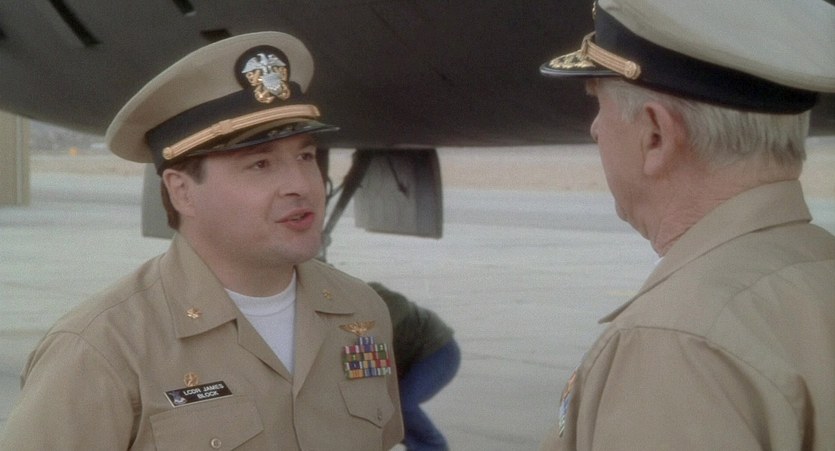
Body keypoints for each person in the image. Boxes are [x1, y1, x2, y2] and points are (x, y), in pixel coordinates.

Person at [1, 32, 403, 449]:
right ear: (183, 192)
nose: (301, 185)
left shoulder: (361, 311)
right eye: (260, 164)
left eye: (305, 156)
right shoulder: (103, 348)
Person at [537, 0, 835, 449]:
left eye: (599, 103)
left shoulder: (675, 341)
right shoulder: (819, 268)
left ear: (655, 135)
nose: (595, 129)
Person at [368, 282, 460, 451]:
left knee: (403, 404)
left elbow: (398, 304)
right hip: (405, 360)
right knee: (375, 409)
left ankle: (434, 446)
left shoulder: (364, 294)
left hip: (438, 351)